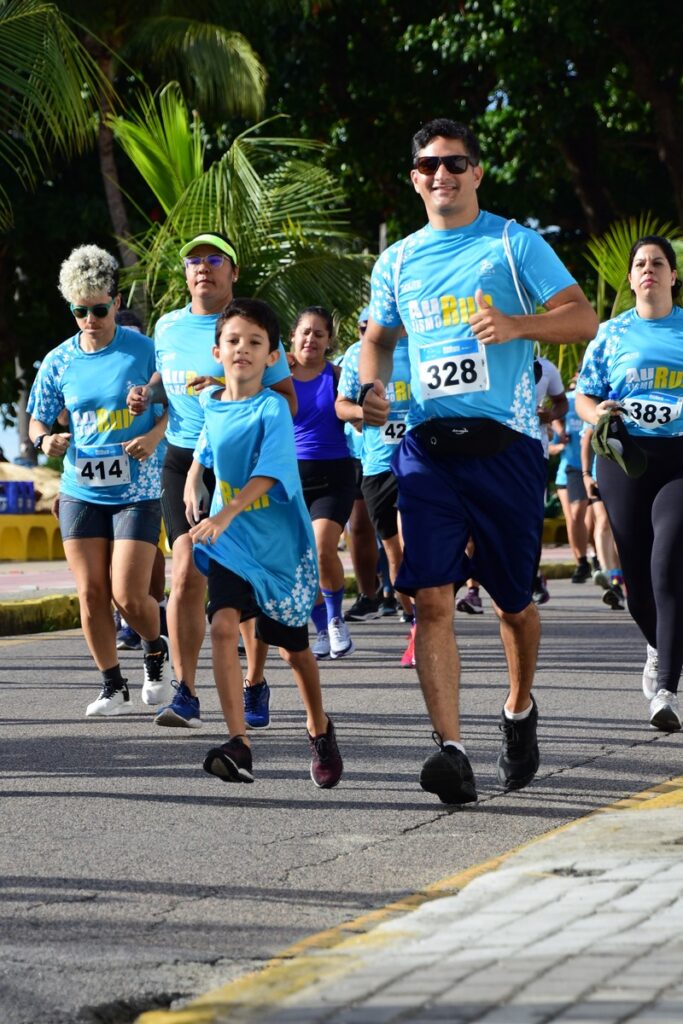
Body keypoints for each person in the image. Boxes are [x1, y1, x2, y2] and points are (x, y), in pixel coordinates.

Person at [359, 118, 598, 804]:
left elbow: (581, 318)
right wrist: (371, 388)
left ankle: (518, 709)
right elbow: (375, 338)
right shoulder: (397, 261)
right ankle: (451, 752)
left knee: (511, 603)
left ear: (476, 172)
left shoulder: (511, 243)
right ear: (414, 178)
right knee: (430, 597)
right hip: (427, 451)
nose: (443, 175)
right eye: (429, 165)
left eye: (455, 163)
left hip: (507, 453)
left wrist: (519, 325)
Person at [127, 233, 295, 731]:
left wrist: (226, 391)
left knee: (242, 577)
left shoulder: (253, 326)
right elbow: (166, 380)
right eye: (194, 261)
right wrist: (148, 393)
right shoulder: (168, 326)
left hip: (238, 460)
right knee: (185, 575)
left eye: (215, 259)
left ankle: (255, 681)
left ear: (233, 272)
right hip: (182, 459)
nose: (204, 268)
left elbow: (287, 400)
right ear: (185, 273)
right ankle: (186, 692)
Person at [183, 298, 343, 787]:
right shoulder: (211, 405)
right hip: (232, 545)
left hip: (278, 548)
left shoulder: (273, 406)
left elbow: (271, 473)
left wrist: (225, 511)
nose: (243, 349)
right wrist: (193, 478)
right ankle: (239, 742)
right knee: (223, 626)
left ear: (273, 356)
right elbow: (207, 448)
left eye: (255, 342)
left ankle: (319, 727)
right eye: (233, 341)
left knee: (292, 652)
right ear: (217, 351)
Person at [27, 245, 171, 717]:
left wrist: (152, 434)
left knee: (128, 592)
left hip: (138, 487)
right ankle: (113, 684)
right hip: (81, 487)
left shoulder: (145, 349)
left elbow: (175, 409)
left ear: (116, 298)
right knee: (90, 592)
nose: (90, 319)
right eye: (79, 311)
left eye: (99, 309)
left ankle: (155, 648)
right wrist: (45, 439)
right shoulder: (58, 361)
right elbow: (37, 421)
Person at [575, 234, 683, 731]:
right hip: (624, 458)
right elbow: (584, 395)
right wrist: (597, 411)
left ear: (673, 275)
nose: (648, 270)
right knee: (636, 581)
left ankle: (666, 688)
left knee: (667, 562)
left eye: (658, 263)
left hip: (678, 458)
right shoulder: (613, 333)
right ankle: (659, 644)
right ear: (633, 277)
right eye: (640, 263)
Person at [336, 322, 416, 665]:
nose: (372, 327)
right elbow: (341, 404)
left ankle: (430, 625)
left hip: (422, 459)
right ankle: (414, 622)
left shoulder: (422, 346)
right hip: (378, 464)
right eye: (365, 324)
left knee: (417, 544)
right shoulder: (358, 354)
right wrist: (360, 411)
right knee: (395, 555)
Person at [290, 306, 356, 660]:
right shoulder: (277, 374)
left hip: (334, 476)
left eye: (319, 334)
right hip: (290, 477)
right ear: (292, 337)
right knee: (301, 559)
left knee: (321, 549)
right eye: (305, 332)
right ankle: (319, 625)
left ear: (329, 341)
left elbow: (356, 406)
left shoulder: (339, 376)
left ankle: (334, 619)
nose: (311, 339)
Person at [112, 307, 169, 649]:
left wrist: (153, 438)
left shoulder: (154, 367)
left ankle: (157, 606)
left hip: (156, 465)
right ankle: (125, 618)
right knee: (110, 547)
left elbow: (171, 411)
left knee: (149, 545)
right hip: (106, 471)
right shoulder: (100, 366)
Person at [532, 354, 569, 604]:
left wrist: (549, 416)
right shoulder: (492, 358)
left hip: (535, 452)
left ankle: (532, 578)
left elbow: (561, 402)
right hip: (496, 452)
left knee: (531, 519)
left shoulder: (545, 367)